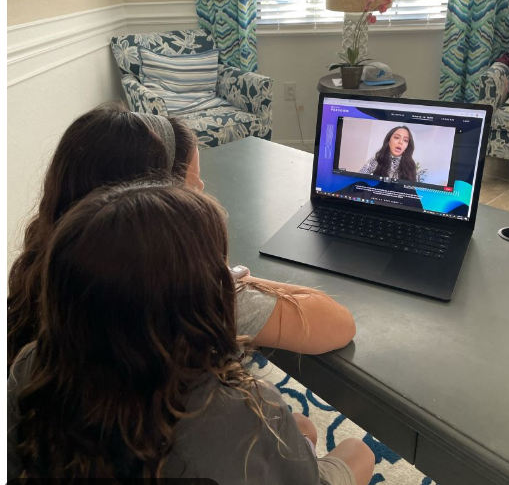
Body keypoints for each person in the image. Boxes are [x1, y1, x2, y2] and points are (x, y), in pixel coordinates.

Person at [7, 181, 374, 484]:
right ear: (200, 300)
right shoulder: (245, 412)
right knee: (357, 452)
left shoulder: (28, 369)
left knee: (302, 427)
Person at [8, 102, 356, 367]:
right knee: (320, 436)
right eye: (194, 187)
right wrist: (228, 283)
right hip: (173, 451)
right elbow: (338, 325)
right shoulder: (185, 297)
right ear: (157, 206)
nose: (204, 194)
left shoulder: (38, 272)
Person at [360, 125, 426, 182]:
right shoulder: (376, 160)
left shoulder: (410, 166)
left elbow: (414, 190)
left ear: (407, 146)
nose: (400, 142)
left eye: (405, 140)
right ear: (389, 141)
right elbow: (358, 180)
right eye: (397, 137)